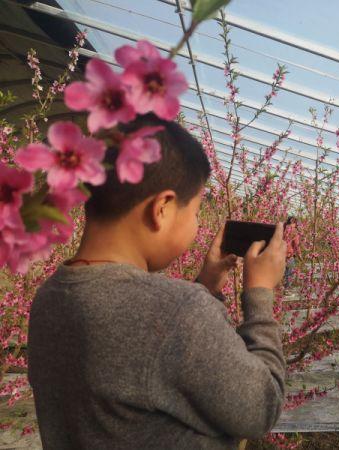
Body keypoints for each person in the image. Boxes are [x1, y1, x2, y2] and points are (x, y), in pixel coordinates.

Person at [27, 113, 288, 450]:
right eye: (194, 212)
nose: (196, 227)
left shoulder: (50, 295)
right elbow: (260, 408)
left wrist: (206, 286)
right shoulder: (179, 311)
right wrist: (260, 294)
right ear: (162, 207)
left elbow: (145, 367)